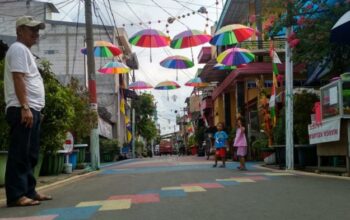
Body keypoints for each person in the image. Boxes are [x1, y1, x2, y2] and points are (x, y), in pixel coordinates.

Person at [4, 16, 52, 207]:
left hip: (32, 109)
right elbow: (18, 78)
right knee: (20, 153)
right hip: (21, 108)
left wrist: (36, 109)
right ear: (19, 31)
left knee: (30, 153)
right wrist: (25, 106)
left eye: (37, 30)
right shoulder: (18, 49)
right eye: (31, 29)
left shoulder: (25, 52)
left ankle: (29, 191)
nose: (35, 33)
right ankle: (16, 195)